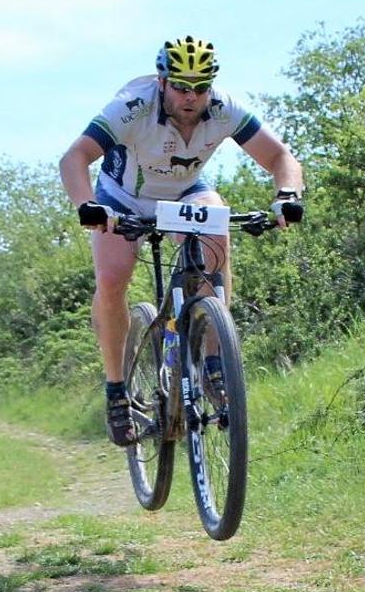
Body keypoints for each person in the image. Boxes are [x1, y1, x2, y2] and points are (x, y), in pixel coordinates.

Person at [59, 36, 304, 446]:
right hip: (123, 197)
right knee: (113, 276)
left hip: (186, 192)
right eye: (181, 87)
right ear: (162, 82)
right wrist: (87, 205)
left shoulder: (224, 108)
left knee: (215, 238)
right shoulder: (132, 106)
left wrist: (287, 196)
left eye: (200, 88)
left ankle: (212, 358)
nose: (191, 97)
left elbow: (280, 157)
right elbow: (75, 157)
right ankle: (117, 387)